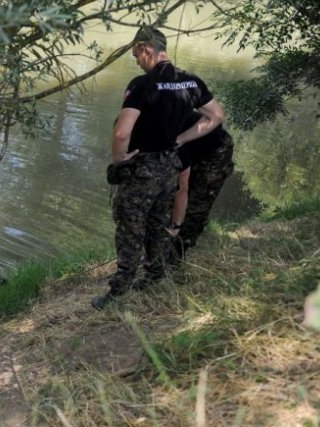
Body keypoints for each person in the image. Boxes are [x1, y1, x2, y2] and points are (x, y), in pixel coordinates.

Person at [92, 26, 225, 310]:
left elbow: (121, 133)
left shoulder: (142, 85)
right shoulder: (191, 82)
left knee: (129, 227)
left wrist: (119, 160)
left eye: (135, 55)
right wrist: (182, 138)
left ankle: (118, 292)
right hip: (170, 165)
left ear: (145, 49)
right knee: (157, 222)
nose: (137, 61)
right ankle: (155, 276)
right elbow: (216, 116)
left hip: (143, 168)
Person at [168, 111, 235, 261]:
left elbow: (182, 188)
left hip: (215, 150)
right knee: (168, 201)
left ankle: (177, 256)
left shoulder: (168, 135)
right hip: (190, 150)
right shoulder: (141, 129)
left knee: (197, 205)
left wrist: (175, 225)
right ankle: (165, 247)